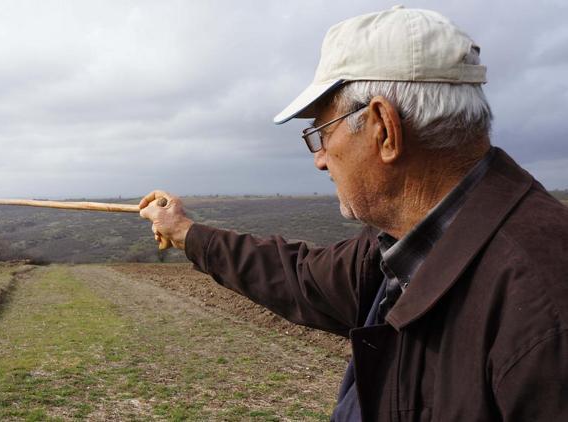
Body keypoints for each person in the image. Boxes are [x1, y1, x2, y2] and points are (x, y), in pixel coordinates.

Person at [139, 6, 568, 421]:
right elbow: (300, 277)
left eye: (321, 133)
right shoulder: (401, 246)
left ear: (383, 128)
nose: (320, 159)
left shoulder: (543, 302)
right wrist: (184, 231)